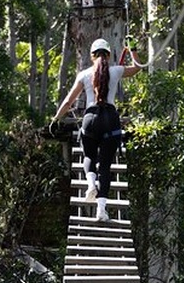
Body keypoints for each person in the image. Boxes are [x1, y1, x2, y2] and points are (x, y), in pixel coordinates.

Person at [51, 38, 141, 221]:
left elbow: (68, 102)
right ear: (108, 55)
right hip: (110, 120)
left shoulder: (84, 75)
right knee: (106, 167)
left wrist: (55, 119)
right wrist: (133, 49)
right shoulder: (116, 71)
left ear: (92, 56)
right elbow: (138, 67)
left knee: (89, 157)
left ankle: (91, 183)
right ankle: (101, 210)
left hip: (90, 119)